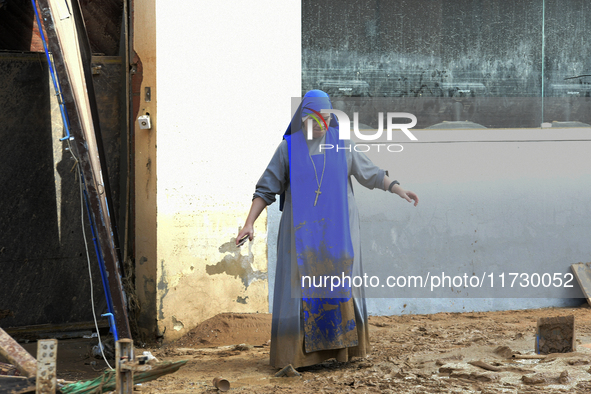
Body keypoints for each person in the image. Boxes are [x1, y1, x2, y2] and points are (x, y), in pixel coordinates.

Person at [236, 90, 418, 369]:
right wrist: (249, 223)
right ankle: (298, 357)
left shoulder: (342, 145)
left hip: (339, 232)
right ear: (304, 119)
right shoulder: (288, 148)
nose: (322, 124)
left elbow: (371, 173)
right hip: (300, 235)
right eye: (316, 119)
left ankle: (342, 351)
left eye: (327, 118)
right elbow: (266, 188)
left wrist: (398, 189)